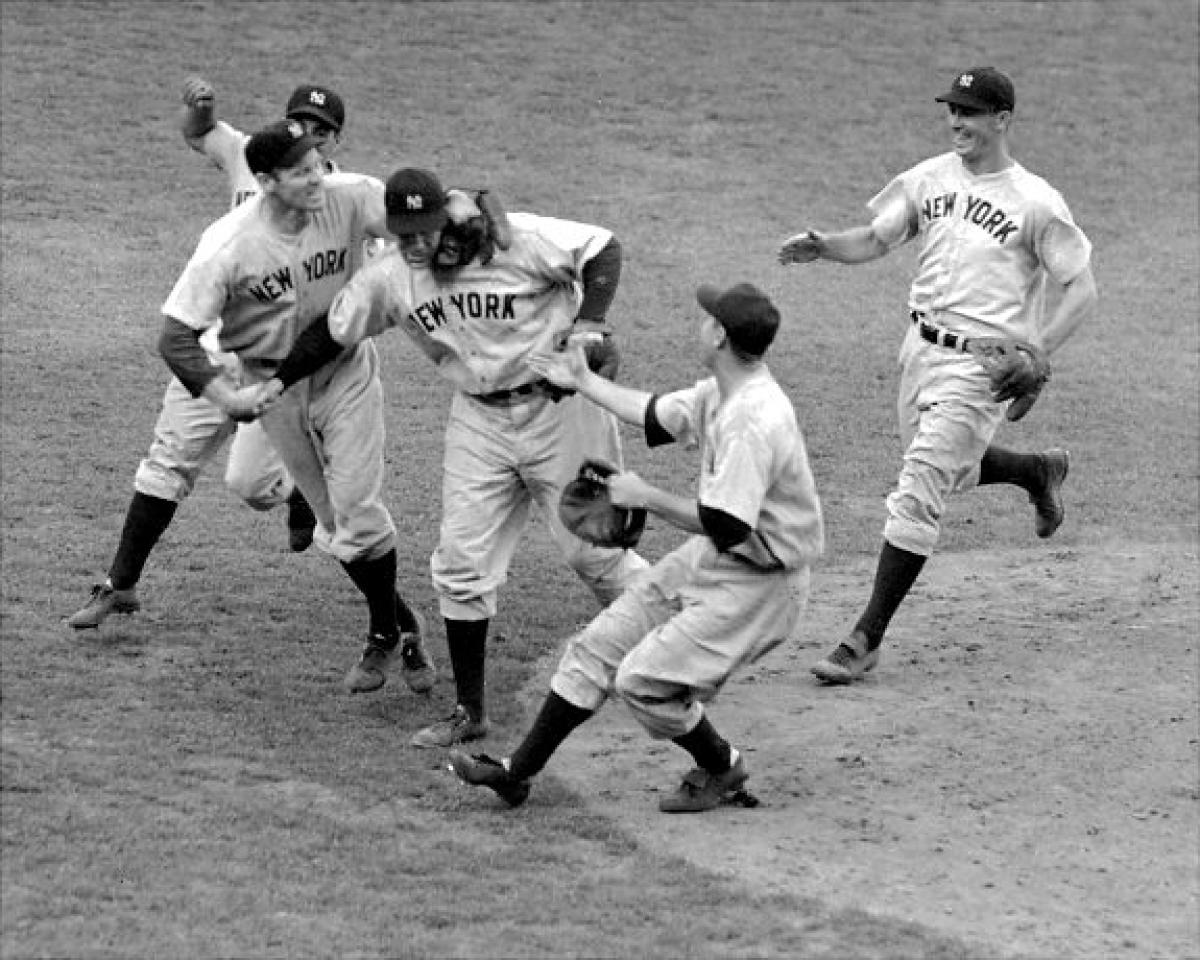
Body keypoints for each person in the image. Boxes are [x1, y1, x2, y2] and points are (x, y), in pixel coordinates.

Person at [256, 167, 650, 748]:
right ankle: (470, 711)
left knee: (597, 556)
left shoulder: (517, 239)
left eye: (423, 230)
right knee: (460, 566)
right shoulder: (392, 277)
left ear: (445, 215)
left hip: (561, 413)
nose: (414, 244)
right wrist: (276, 380)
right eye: (402, 233)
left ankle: (675, 653)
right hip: (479, 420)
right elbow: (332, 331)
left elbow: (602, 248)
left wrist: (590, 323)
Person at [66, 119, 436, 696]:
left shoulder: (348, 196)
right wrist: (225, 397)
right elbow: (176, 336)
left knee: (357, 510)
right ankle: (401, 627)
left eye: (318, 163)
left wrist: (454, 217)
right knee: (336, 525)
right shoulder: (229, 245)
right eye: (301, 171)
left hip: (345, 375)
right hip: (271, 388)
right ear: (266, 181)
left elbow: (416, 220)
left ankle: (384, 635)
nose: (318, 177)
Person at [446, 281, 824, 812]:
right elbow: (654, 413)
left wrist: (645, 495)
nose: (700, 321)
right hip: (720, 559)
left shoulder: (753, 419)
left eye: (707, 316)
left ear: (718, 333)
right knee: (597, 646)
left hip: (763, 582)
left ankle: (721, 765)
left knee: (642, 681)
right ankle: (516, 773)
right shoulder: (723, 390)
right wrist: (581, 382)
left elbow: (727, 523)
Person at [777, 66, 1097, 684]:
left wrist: (1038, 351)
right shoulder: (928, 178)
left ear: (1002, 120)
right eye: (953, 110)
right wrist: (825, 245)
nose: (958, 121)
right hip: (918, 352)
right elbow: (875, 238)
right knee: (945, 469)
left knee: (919, 486)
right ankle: (1036, 470)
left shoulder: (1035, 201)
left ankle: (866, 636)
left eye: (972, 112)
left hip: (984, 368)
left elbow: (1081, 288)